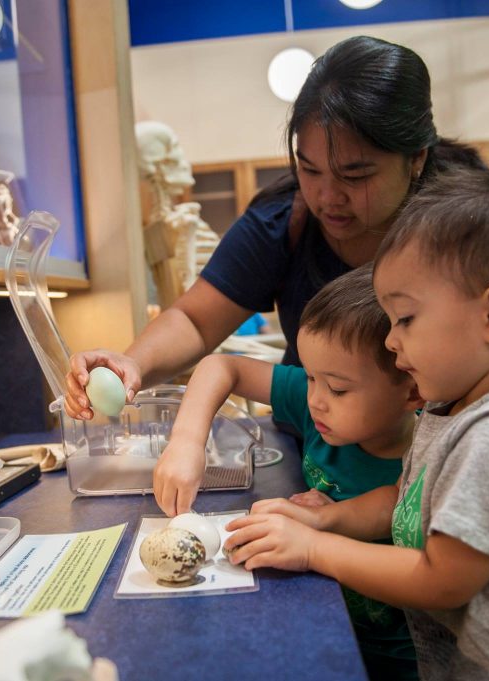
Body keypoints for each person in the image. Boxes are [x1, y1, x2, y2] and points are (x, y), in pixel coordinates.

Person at [63, 35, 489, 505]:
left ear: (416, 159)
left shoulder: (467, 217)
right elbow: (194, 317)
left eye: (355, 175)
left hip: (443, 462)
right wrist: (132, 363)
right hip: (328, 454)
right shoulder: (284, 221)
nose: (326, 197)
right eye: (309, 169)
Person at [225, 169, 489, 681]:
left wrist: (316, 549)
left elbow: (441, 580)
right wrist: (324, 519)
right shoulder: (451, 403)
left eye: (404, 319)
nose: (390, 341)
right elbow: (408, 499)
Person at [155, 265, 424, 679]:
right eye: (310, 376)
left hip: (407, 659)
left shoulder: (432, 451)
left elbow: (396, 501)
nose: (314, 399)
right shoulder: (320, 402)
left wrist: (327, 518)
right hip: (329, 623)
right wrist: (188, 439)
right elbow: (221, 366)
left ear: (412, 389)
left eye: (336, 388)